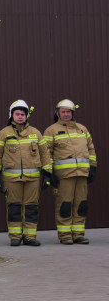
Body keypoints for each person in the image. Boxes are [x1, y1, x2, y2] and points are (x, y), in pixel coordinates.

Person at [0, 100, 53, 247]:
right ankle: (15, 237)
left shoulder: (35, 133)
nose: (20, 116)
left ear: (26, 116)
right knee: (14, 207)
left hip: (33, 179)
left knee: (31, 207)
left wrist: (48, 174)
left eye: (23, 114)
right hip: (11, 179)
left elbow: (45, 154)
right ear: (11, 115)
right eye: (17, 114)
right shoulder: (3, 133)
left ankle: (30, 237)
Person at [44, 99, 97, 244]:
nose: (66, 114)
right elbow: (45, 152)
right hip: (64, 176)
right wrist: (49, 172)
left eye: (68, 112)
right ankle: (65, 235)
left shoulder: (82, 129)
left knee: (81, 204)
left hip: (82, 174)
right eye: (63, 112)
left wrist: (93, 166)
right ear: (57, 113)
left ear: (72, 113)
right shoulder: (51, 130)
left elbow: (90, 148)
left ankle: (78, 234)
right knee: (64, 205)